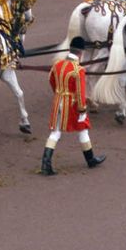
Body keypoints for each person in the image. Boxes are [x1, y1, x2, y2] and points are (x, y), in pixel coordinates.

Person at [41, 37, 105, 176]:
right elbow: (81, 92)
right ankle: (90, 159)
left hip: (58, 100)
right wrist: (82, 108)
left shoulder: (57, 65)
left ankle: (46, 163)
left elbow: (51, 80)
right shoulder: (78, 70)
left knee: (55, 132)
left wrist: (58, 94)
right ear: (81, 53)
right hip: (72, 103)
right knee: (83, 129)